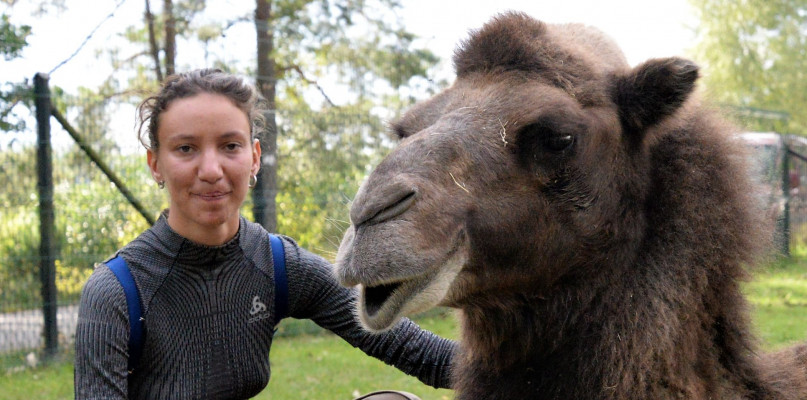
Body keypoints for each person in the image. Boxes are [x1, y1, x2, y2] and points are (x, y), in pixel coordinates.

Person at [74, 68, 455, 399]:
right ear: (155, 164)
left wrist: (512, 363)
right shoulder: (115, 293)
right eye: (186, 148)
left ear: (254, 157)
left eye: (230, 146)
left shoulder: (277, 264)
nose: (211, 169)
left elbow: (421, 353)